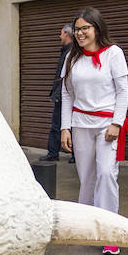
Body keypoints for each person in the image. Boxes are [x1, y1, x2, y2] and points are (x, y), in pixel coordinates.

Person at [60, 7, 128, 255]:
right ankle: (87, 228)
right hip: (80, 124)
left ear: (97, 28)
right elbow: (67, 93)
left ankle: (111, 232)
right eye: (77, 29)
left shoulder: (114, 54)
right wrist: (65, 127)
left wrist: (117, 123)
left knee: (106, 174)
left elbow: (123, 91)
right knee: (87, 177)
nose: (79, 33)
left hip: (106, 126)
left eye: (85, 28)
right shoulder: (72, 57)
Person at [39, 24, 73, 162]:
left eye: (61, 33)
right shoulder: (66, 51)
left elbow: (64, 78)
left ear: (66, 34)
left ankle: (54, 154)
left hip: (65, 96)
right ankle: (69, 155)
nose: (59, 36)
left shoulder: (70, 53)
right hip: (62, 95)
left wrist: (57, 94)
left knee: (57, 126)